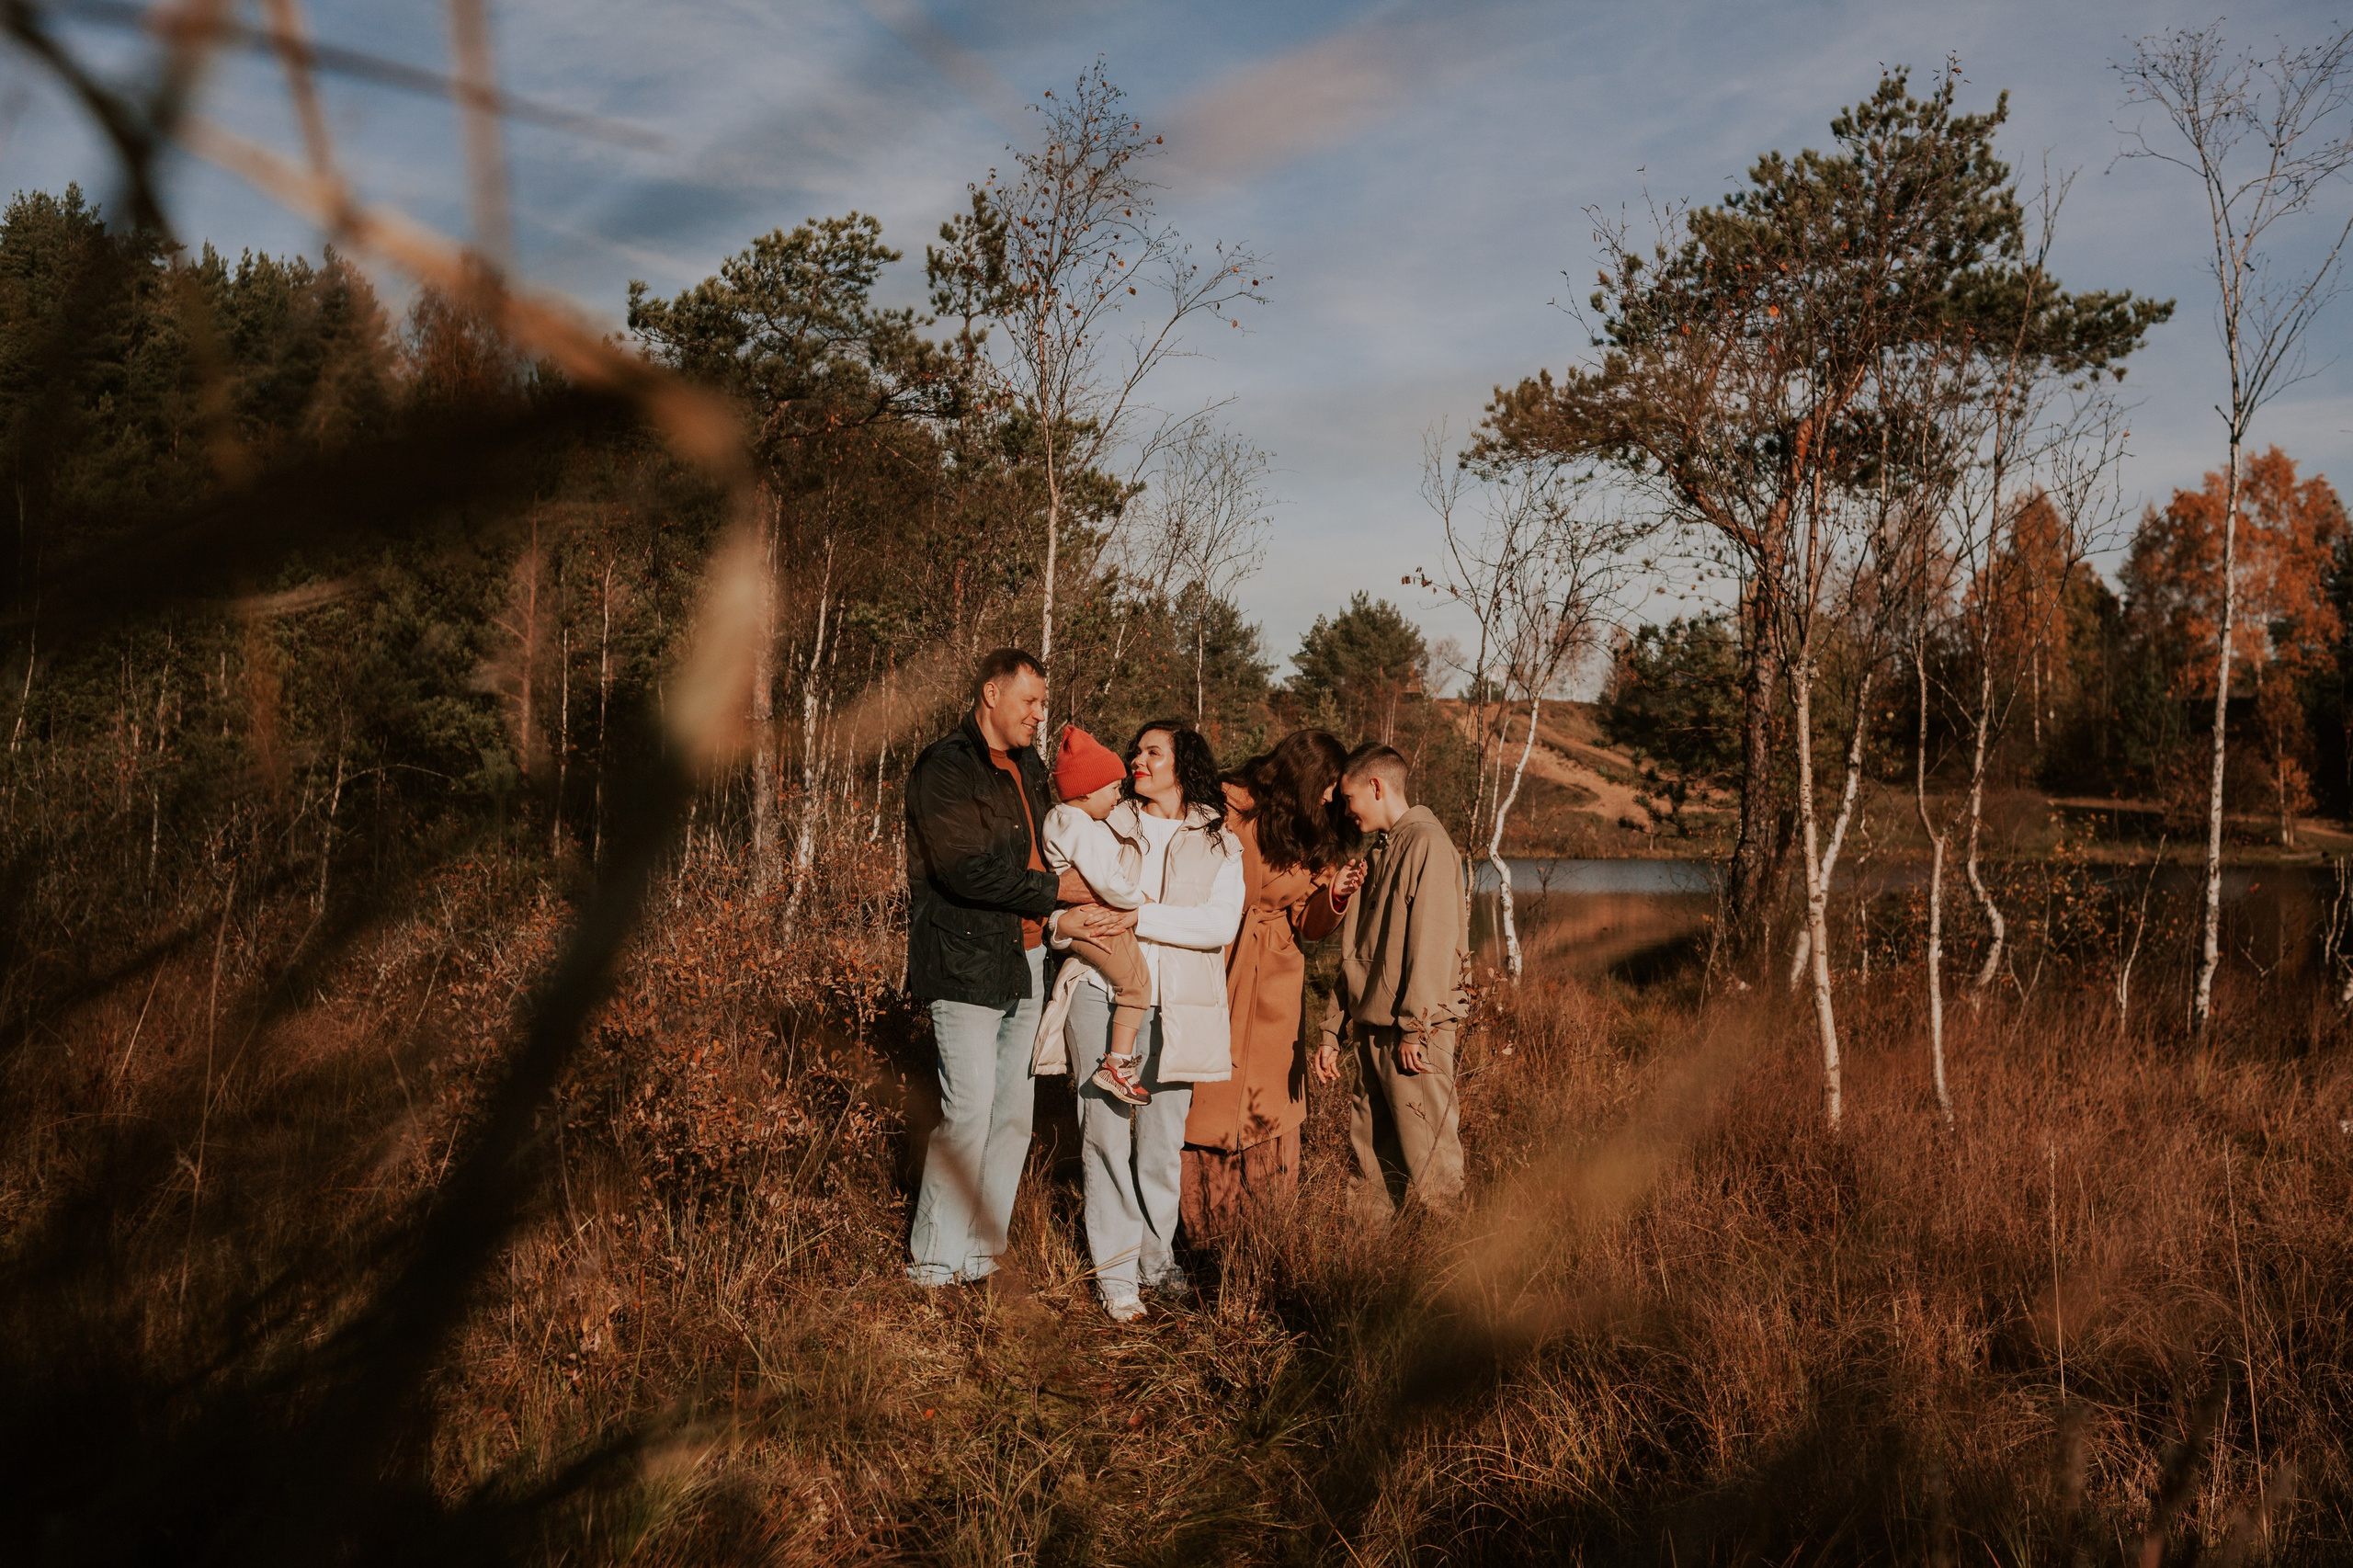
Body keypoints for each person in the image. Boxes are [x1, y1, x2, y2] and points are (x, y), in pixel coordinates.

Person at [902, 649, 1108, 1290]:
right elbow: (962, 868)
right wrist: (1059, 896)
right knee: (968, 1113)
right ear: (991, 693)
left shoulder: (1029, 766)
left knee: (1013, 1115)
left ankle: (980, 1256)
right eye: (1030, 702)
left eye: (1043, 705)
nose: (1039, 716)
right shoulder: (945, 768)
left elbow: (1060, 837)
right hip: (963, 959)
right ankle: (933, 1263)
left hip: (1028, 959)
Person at [1037, 719, 1243, 1322]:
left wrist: (1138, 918)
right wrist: (1061, 924)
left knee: (1158, 1144)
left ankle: (1158, 1261)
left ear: (1184, 763)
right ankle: (1117, 1275)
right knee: (1102, 1134)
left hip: (1178, 1005)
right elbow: (1053, 895)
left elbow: (1219, 925)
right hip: (1098, 990)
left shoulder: (1217, 839)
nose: (1137, 759)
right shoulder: (1103, 818)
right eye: (1135, 750)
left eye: (1153, 751)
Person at [1180, 730, 1363, 1242]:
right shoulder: (1228, 803)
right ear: (1302, 776)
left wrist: (1337, 895)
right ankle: (1199, 1230)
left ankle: (1260, 1234)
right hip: (1216, 957)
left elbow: (1309, 922)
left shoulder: (1319, 833)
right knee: (1207, 1089)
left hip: (1275, 976)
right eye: (1326, 784)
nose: (1331, 797)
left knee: (1268, 1095)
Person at [1313, 742, 1469, 1218]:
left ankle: (1457, 1277)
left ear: (1376, 786)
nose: (1346, 808)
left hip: (1410, 1037)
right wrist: (1331, 1030)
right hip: (1370, 1032)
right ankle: (1371, 1273)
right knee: (1370, 1170)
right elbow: (1358, 954)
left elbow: (1433, 945)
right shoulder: (1378, 852)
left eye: (1349, 796)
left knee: (1432, 1170)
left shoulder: (1428, 845)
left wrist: (1415, 1028)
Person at [1037, 724, 1154, 1107]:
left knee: (1130, 982)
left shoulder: (1065, 820)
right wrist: (1142, 901)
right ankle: (1117, 1066)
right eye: (1113, 789)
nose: (1119, 797)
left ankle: (1117, 1065)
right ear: (1086, 790)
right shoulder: (1079, 826)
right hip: (1093, 916)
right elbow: (1107, 881)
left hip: (1079, 916)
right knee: (1136, 986)